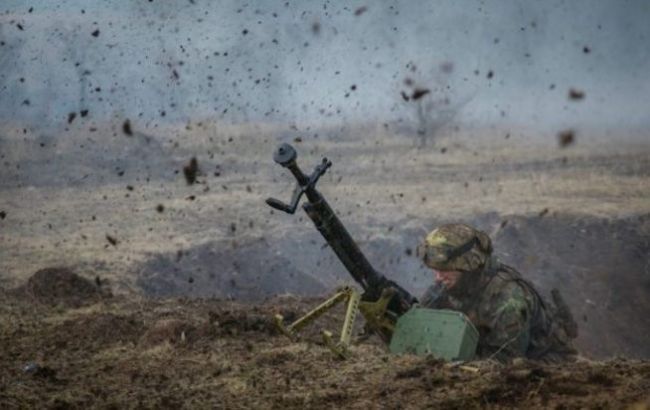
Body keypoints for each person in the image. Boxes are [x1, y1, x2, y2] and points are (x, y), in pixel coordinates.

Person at [416, 223, 578, 363]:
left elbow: (503, 363)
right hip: (483, 356)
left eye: (446, 270)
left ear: (469, 265)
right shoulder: (449, 285)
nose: (438, 277)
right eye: (436, 270)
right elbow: (419, 330)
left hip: (544, 366)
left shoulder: (509, 299)